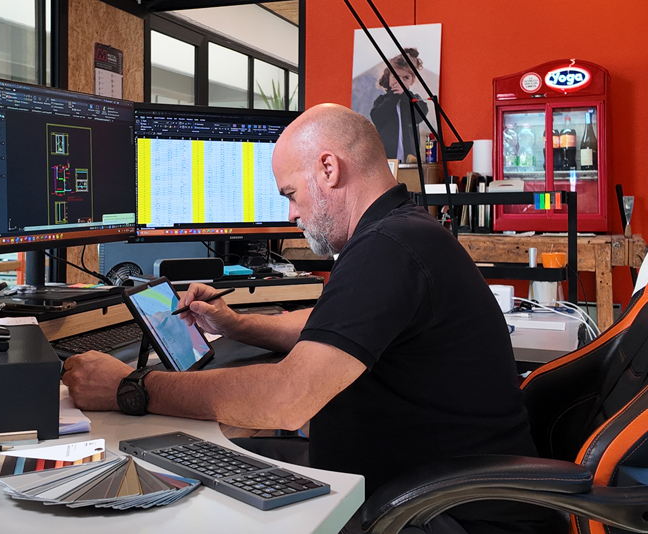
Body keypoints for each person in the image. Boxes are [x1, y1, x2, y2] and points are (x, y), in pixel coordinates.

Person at [62, 104, 561, 533]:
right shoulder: (404, 232)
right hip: (420, 494)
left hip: (440, 517)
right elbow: (327, 329)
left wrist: (132, 387)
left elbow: (285, 401)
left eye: (290, 194)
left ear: (328, 168)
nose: (291, 214)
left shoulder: (389, 247)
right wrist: (236, 325)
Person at [369, 47, 428, 163]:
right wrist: (393, 97)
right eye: (396, 77)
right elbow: (377, 117)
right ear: (389, 77)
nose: (400, 81)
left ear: (412, 80)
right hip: (386, 159)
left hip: (409, 158)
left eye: (405, 78)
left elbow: (419, 116)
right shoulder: (382, 100)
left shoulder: (415, 99)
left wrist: (405, 97)